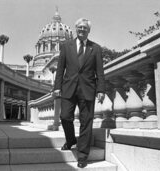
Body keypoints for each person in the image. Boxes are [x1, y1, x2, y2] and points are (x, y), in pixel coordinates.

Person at [53, 18, 105, 168]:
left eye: (85, 28)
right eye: (79, 27)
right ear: (76, 29)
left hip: (88, 89)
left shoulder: (95, 48)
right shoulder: (66, 46)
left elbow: (100, 72)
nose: (82, 29)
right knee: (64, 117)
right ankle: (71, 140)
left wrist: (101, 89)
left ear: (89, 30)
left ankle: (82, 156)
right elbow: (60, 69)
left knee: (86, 123)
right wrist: (57, 87)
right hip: (68, 87)